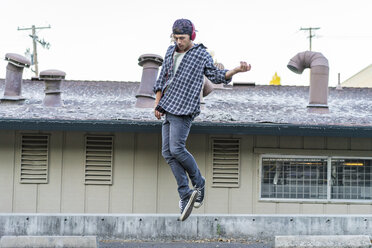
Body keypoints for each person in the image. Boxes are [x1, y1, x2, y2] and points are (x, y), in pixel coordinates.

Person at [153, 19, 251, 221]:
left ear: (192, 37)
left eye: (183, 38)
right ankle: (184, 194)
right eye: (176, 38)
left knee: (177, 149)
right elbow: (162, 79)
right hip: (167, 106)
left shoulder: (200, 54)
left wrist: (235, 71)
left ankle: (199, 183)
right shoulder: (170, 51)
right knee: (168, 153)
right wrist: (157, 103)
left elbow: (215, 75)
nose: (179, 42)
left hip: (185, 107)